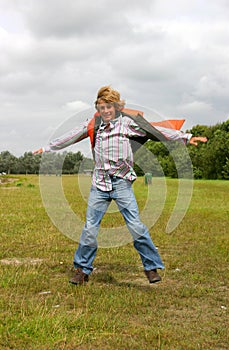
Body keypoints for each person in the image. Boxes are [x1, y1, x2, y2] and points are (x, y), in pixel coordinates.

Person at [34, 86, 207, 285]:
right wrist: (48, 148)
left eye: (109, 107)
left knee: (135, 225)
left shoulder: (127, 124)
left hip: (122, 182)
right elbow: (71, 135)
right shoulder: (95, 125)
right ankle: (82, 270)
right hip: (99, 183)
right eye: (101, 107)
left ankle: (151, 267)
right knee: (90, 228)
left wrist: (185, 137)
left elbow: (155, 130)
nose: (105, 111)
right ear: (98, 108)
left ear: (116, 107)